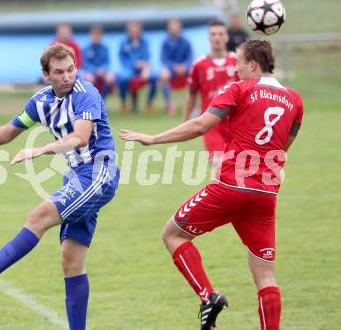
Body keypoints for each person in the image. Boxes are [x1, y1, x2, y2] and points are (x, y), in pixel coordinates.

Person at [120, 39, 303, 330]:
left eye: (239, 63)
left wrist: (153, 138)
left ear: (253, 65)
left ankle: (208, 296)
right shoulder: (295, 100)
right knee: (265, 275)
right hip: (265, 195)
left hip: (231, 186)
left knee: (173, 235)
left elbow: (199, 125)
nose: (235, 68)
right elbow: (284, 146)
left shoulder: (238, 89)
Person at [0, 43, 120, 330]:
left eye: (71, 69)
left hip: (99, 174)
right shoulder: (40, 101)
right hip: (78, 177)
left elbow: (81, 136)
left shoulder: (86, 94)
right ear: (46, 75)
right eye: (59, 72)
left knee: (38, 217)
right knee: (71, 261)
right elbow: (12, 129)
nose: (67, 77)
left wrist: (41, 150)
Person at [183, 20, 239, 164]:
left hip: (235, 123)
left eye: (220, 34)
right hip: (210, 123)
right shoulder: (199, 64)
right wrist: (185, 122)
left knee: (237, 166)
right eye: (213, 34)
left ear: (226, 37)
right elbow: (191, 94)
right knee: (218, 163)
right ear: (208, 38)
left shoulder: (238, 61)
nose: (217, 37)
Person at [117, 20, 157, 115]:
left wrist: (145, 68)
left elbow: (147, 57)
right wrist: (134, 64)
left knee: (154, 76)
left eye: (136, 29)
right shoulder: (124, 43)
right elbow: (122, 59)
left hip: (142, 69)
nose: (134, 31)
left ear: (140, 30)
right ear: (128, 30)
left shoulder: (145, 42)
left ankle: (149, 103)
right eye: (132, 29)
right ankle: (123, 103)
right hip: (129, 69)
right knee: (123, 78)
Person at [159, 18, 193, 115]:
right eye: (171, 28)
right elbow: (164, 60)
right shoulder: (165, 42)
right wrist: (174, 66)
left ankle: (194, 105)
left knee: (197, 73)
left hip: (185, 69)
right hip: (171, 70)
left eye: (176, 27)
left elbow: (190, 58)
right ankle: (169, 105)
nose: (173, 29)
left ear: (180, 28)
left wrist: (185, 66)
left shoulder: (186, 41)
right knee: (163, 75)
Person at [82, 25, 116, 99]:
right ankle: (92, 100)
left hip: (103, 71)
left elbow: (107, 62)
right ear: (90, 35)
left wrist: (103, 69)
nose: (96, 37)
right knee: (89, 78)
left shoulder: (105, 48)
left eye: (98, 35)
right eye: (94, 34)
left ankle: (102, 99)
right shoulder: (86, 48)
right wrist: (95, 70)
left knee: (110, 77)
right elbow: (85, 63)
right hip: (90, 72)